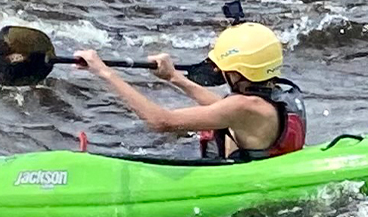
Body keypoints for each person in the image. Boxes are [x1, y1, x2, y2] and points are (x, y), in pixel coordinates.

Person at [72, 20, 307, 161]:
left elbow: (160, 121)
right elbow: (222, 109)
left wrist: (103, 72)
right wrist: (174, 77)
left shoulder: (244, 106)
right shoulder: (273, 96)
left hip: (240, 180)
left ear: (236, 72)